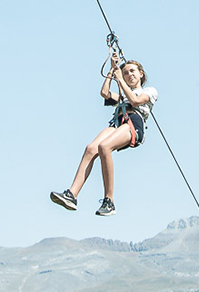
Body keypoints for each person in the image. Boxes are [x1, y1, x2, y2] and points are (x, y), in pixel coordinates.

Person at [51, 53, 158, 216]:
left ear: (141, 74)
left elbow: (136, 101)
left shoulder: (149, 91)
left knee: (104, 146)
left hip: (133, 123)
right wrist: (112, 71)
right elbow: (105, 93)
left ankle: (109, 200)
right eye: (126, 73)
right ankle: (72, 194)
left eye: (132, 71)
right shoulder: (123, 96)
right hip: (118, 122)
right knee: (91, 148)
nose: (129, 75)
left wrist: (120, 79)